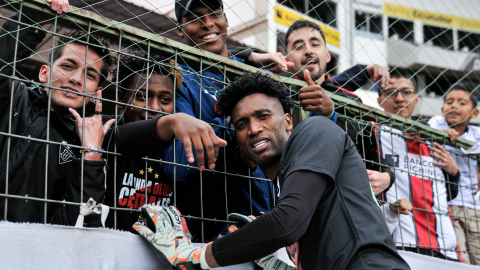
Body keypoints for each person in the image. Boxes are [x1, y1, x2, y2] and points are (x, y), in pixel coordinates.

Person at [133, 72, 410, 270]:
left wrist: (195, 254)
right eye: (241, 125)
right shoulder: (288, 190)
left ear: (288, 121)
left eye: (263, 116)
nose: (253, 128)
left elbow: (286, 223)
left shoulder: (316, 130)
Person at [0, 0, 117, 226]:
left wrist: (92, 155)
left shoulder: (91, 139)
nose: (76, 79)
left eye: (90, 75)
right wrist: (33, 15)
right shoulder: (14, 98)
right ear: (44, 73)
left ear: (95, 93)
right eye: (68, 66)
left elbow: (81, 224)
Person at [284, 19, 395, 195]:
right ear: (287, 58)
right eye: (298, 47)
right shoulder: (278, 97)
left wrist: (388, 177)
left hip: (347, 197)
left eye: (315, 44)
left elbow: (373, 154)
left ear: (328, 55)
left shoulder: (352, 101)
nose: (308, 51)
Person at [376, 69, 462, 260]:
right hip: (399, 244)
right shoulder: (371, 133)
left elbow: (449, 194)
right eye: (391, 92)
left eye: (406, 92)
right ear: (379, 100)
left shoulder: (433, 138)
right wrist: (365, 73)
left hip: (444, 247)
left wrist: (454, 173)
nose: (399, 98)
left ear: (416, 98)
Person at [428, 83, 480, 264]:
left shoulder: (477, 134)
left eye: (462, 102)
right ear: (443, 109)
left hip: (474, 205)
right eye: (450, 102)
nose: (454, 106)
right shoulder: (437, 122)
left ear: (474, 113)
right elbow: (429, 133)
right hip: (447, 201)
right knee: (460, 257)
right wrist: (442, 134)